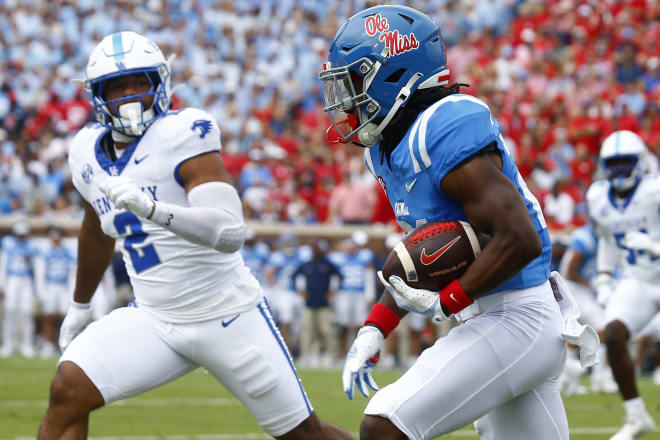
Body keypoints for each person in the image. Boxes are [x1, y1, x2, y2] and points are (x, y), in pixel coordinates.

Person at [37, 31, 352, 440]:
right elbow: (97, 228)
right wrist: (80, 304)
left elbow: (229, 230)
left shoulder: (183, 132)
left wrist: (152, 209)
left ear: (160, 84)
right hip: (154, 318)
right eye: (117, 86)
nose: (130, 94)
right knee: (69, 389)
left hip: (227, 315)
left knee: (304, 435)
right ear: (98, 95)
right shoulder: (84, 150)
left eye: (140, 82)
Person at [319, 6, 596, 439]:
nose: (345, 99)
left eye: (354, 82)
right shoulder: (386, 147)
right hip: (501, 319)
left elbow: (518, 237)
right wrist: (376, 326)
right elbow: (426, 254)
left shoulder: (444, 123)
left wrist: (448, 301)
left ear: (395, 71)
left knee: (384, 426)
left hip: (517, 315)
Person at [587, 130, 659, 440]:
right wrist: (604, 277)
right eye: (612, 164)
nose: (618, 171)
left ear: (640, 162)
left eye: (624, 163)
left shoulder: (655, 191)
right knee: (614, 335)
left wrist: (655, 246)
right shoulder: (597, 196)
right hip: (637, 280)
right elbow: (606, 240)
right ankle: (636, 415)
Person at [557, 224, 618, 395]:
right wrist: (590, 283)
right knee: (602, 327)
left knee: (572, 332)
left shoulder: (607, 237)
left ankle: (568, 378)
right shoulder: (585, 238)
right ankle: (599, 377)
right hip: (573, 288)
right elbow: (569, 271)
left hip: (582, 289)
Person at [291, 239, 342, 368]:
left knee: (326, 330)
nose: (317, 251)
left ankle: (331, 356)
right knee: (307, 331)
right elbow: (294, 276)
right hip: (309, 303)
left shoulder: (328, 264)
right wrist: (300, 291)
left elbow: (340, 277)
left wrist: (333, 292)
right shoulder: (307, 264)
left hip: (324, 304)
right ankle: (305, 356)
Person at [34, 227, 76, 358]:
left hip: (64, 287)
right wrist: (41, 291)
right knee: (49, 316)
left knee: (66, 316)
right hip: (50, 286)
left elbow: (72, 273)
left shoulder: (68, 253)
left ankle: (64, 343)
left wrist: (72, 291)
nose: (56, 240)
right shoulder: (45, 253)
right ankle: (48, 345)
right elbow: (40, 273)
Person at [0, 221, 39, 358]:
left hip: (26, 280)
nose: (21, 237)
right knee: (10, 310)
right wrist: (2, 284)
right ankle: (8, 344)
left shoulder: (33, 246)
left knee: (26, 312)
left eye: (23, 235)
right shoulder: (8, 243)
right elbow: (3, 264)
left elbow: (37, 268)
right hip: (12, 279)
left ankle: (26, 344)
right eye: (19, 235)